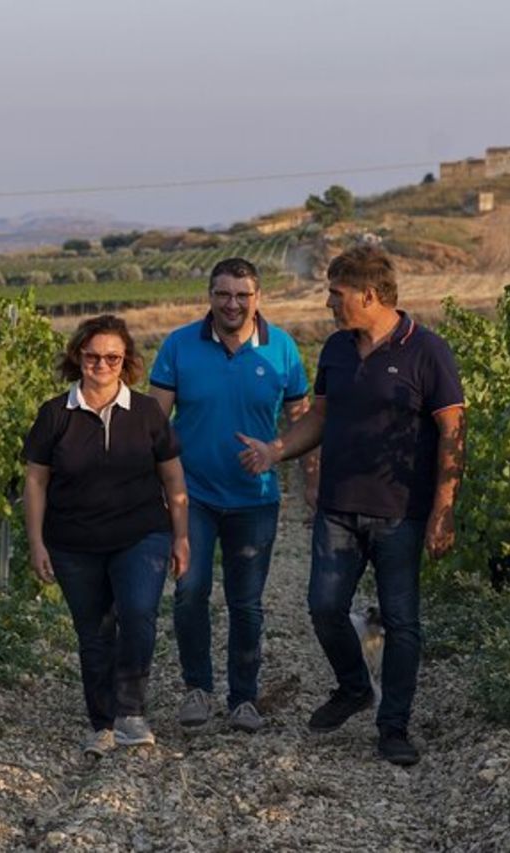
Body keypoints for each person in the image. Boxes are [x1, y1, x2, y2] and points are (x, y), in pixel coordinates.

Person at [238, 245, 464, 766]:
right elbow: (320, 416)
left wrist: (443, 507)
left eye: (335, 294)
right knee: (323, 607)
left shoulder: (427, 351)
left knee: (403, 621)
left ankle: (394, 727)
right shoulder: (337, 350)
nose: (328, 303)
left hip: (401, 509)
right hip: (339, 506)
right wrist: (277, 449)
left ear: (369, 294)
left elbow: (453, 430)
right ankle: (354, 687)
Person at [149, 257, 310, 733]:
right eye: (224, 294)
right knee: (189, 591)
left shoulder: (281, 348)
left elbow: (303, 421)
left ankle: (244, 698)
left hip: (255, 498)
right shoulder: (178, 346)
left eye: (243, 295)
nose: (233, 303)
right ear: (210, 296)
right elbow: (156, 427)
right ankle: (197, 689)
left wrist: (278, 454)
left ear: (258, 298)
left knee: (247, 602)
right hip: (190, 495)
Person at [22, 314, 189, 759]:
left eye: (112, 357)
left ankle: (131, 711)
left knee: (138, 614)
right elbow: (36, 481)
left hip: (141, 534)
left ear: (126, 361)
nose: (102, 364)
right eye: (93, 356)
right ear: (78, 356)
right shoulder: (55, 414)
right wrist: (36, 542)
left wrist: (181, 536)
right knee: (94, 632)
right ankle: (102, 721)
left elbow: (172, 478)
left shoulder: (148, 413)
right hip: (73, 541)